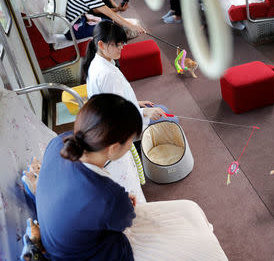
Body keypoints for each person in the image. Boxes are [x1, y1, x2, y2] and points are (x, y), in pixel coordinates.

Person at [36, 94, 227, 260]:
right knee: (193, 223)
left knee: (189, 210)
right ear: (112, 148)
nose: (131, 146)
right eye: (130, 142)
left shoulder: (57, 143)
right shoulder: (107, 194)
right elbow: (125, 221)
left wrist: (119, 204)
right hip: (97, 254)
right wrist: (124, 203)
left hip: (66, 243)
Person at [83, 20, 178, 127]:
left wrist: (135, 103)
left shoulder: (97, 61)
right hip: (122, 125)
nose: (122, 47)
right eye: (117, 44)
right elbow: (118, 113)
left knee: (163, 109)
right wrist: (144, 112)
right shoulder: (107, 74)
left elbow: (113, 101)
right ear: (101, 44)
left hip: (118, 113)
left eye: (122, 43)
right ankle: (140, 141)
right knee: (173, 121)